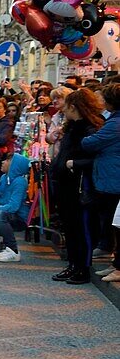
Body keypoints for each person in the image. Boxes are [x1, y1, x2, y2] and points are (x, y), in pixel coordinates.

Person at [51, 88, 104, 285]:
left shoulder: (92, 128)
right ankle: (73, 264)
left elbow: (95, 158)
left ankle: (83, 268)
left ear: (74, 106)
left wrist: (75, 164)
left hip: (80, 185)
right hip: (65, 183)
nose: (64, 110)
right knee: (70, 227)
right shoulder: (73, 126)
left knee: (82, 228)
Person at [83, 82, 120, 282]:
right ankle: (116, 263)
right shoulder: (113, 120)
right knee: (112, 221)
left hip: (113, 177)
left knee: (115, 222)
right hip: (111, 176)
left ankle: (118, 266)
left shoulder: (115, 123)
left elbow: (91, 143)